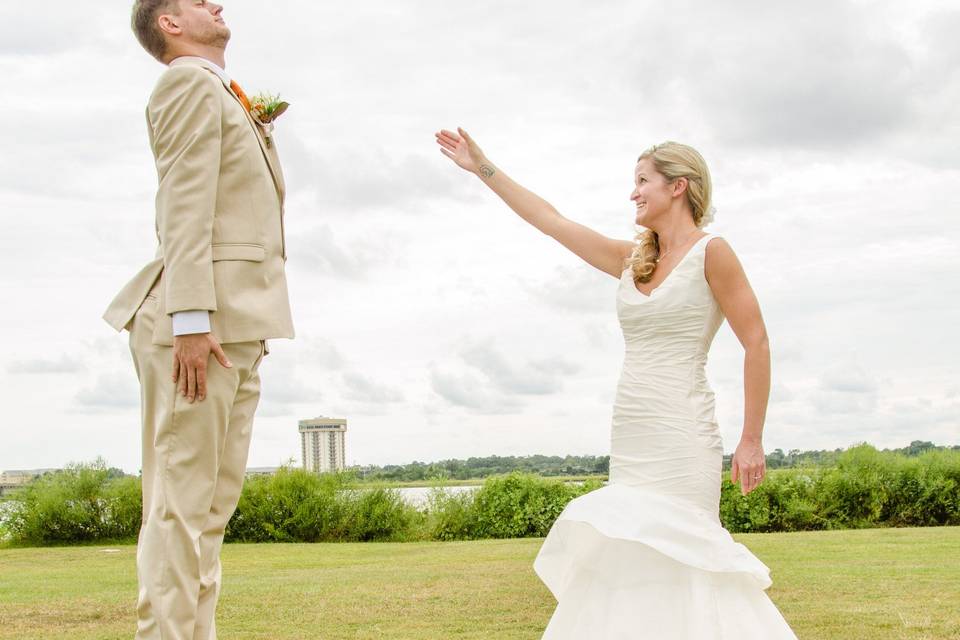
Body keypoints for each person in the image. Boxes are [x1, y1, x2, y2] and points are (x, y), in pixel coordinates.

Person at [435, 128, 797, 638]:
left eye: (642, 181)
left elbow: (756, 341)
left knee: (688, 559)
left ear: (679, 186)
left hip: (683, 436)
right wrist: (483, 167)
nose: (633, 192)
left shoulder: (713, 252)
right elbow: (551, 222)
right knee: (630, 561)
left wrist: (752, 438)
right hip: (632, 438)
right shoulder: (632, 260)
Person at [103, 1, 294, 637]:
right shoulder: (187, 82)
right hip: (196, 330)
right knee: (179, 507)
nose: (217, 3)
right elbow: (183, 202)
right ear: (169, 24)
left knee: (210, 511)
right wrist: (190, 319)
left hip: (237, 327)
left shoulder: (222, 92)